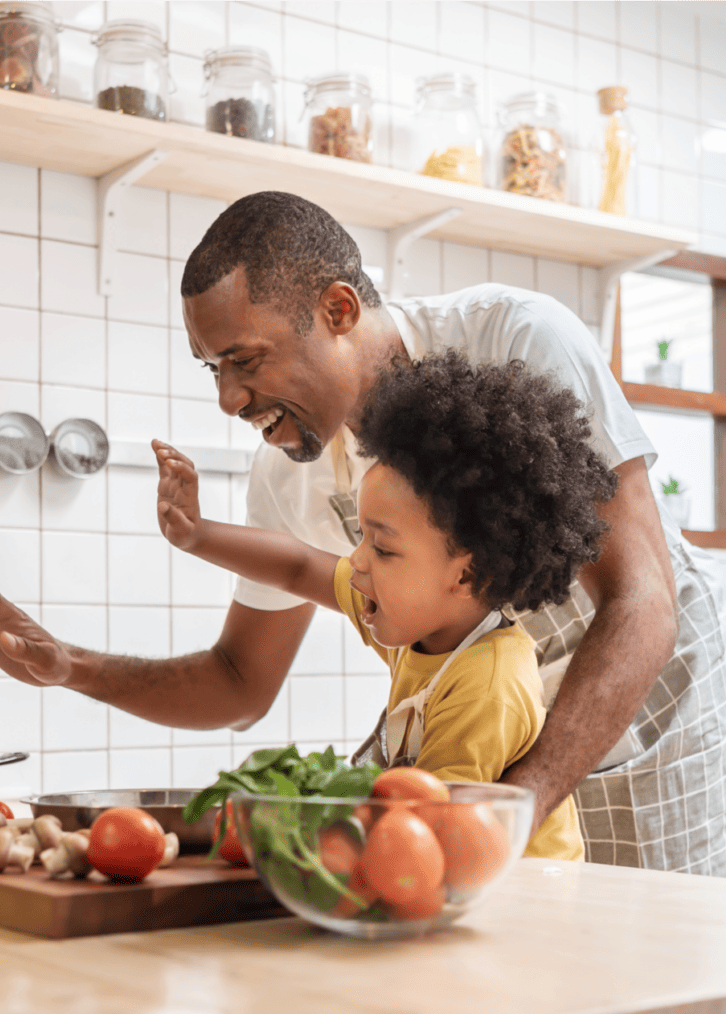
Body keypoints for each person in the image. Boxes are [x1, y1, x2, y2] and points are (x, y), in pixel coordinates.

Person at [0, 191, 726, 876]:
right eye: (213, 369)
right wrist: (67, 666)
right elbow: (240, 680)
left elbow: (641, 601)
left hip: (650, 718)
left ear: (337, 309)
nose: (229, 399)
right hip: (489, 767)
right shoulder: (290, 468)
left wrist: (521, 797)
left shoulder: (516, 340)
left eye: (245, 359)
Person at [154, 349, 621, 860]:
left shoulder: (488, 684)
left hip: (526, 902)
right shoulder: (423, 622)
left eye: (382, 547)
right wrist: (198, 535)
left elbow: (433, 836)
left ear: (464, 573)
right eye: (361, 536)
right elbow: (298, 567)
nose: (355, 560)